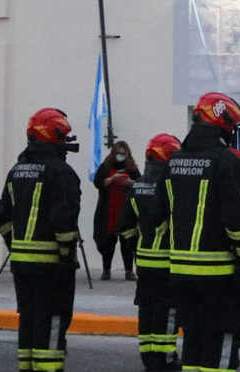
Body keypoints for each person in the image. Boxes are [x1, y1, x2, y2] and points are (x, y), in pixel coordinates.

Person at [152, 92, 240, 371]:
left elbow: (156, 215)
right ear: (221, 124)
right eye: (231, 128)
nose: (231, 133)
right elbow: (238, 220)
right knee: (219, 344)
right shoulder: (226, 162)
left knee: (193, 345)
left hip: (181, 274)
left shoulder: (173, 162)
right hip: (219, 274)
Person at [0, 108, 81, 372]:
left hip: (21, 265)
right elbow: (63, 222)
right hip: (52, 266)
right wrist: (66, 258)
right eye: (63, 137)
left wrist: (16, 246)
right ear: (52, 135)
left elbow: (0, 216)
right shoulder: (61, 172)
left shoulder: (17, 171)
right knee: (53, 319)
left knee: (29, 319)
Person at [118, 133, 182, 372]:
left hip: (144, 264)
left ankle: (148, 357)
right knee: (167, 313)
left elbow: (124, 228)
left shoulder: (136, 188)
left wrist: (136, 248)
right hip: (169, 263)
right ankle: (165, 358)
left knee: (146, 310)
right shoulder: (173, 188)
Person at [93, 141, 140, 280]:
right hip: (108, 211)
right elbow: (98, 183)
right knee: (107, 242)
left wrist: (129, 182)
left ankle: (129, 271)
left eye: (123, 154)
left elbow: (140, 183)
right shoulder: (105, 167)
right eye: (118, 153)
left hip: (126, 211)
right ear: (114, 153)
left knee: (127, 243)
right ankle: (106, 270)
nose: (120, 156)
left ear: (127, 154)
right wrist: (112, 179)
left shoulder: (132, 168)